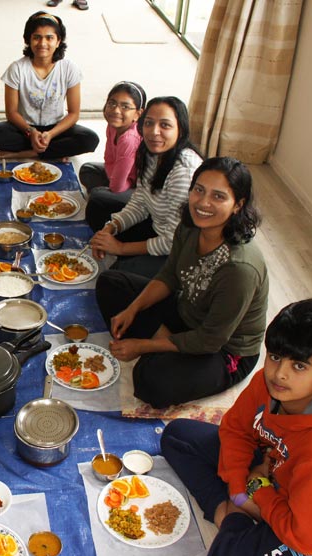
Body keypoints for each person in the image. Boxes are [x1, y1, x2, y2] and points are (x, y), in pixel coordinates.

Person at [161, 299, 312, 556]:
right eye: (274, 357)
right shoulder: (270, 382)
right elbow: (236, 429)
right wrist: (238, 490)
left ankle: (240, 517)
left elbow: (305, 538)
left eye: (298, 365)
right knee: (177, 435)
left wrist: (259, 491)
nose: (279, 373)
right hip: (271, 471)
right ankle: (232, 513)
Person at [96, 157, 268, 408]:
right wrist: (132, 309)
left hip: (224, 350)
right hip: (187, 313)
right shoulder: (190, 226)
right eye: (199, 190)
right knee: (111, 283)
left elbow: (210, 340)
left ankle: (164, 347)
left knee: (150, 380)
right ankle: (168, 343)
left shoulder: (240, 269)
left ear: (238, 205)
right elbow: (169, 276)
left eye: (218, 196)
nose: (203, 203)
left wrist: (145, 345)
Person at [89, 96, 202, 278]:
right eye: (149, 123)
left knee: (114, 278)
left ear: (180, 130)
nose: (153, 132)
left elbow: (171, 241)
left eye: (165, 125)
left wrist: (120, 247)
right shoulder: (151, 153)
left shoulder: (183, 173)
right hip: (157, 225)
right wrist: (110, 229)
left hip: (178, 250)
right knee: (97, 202)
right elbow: (140, 201)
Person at [0, 12, 99, 161]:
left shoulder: (69, 68)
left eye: (49, 38)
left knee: (89, 139)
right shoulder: (16, 68)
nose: (42, 43)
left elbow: (73, 113)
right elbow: (11, 113)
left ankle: (30, 153)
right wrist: (31, 132)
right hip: (25, 128)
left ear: (58, 41)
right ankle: (53, 151)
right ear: (28, 40)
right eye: (37, 37)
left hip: (56, 129)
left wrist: (50, 134)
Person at [80, 81, 146, 225]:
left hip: (137, 189)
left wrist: (114, 183)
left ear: (138, 114)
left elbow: (117, 187)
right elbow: (108, 160)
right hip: (119, 177)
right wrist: (113, 178)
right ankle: (107, 198)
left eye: (125, 107)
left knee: (97, 198)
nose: (116, 110)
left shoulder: (129, 139)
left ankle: (107, 202)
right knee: (87, 169)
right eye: (112, 103)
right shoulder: (112, 126)